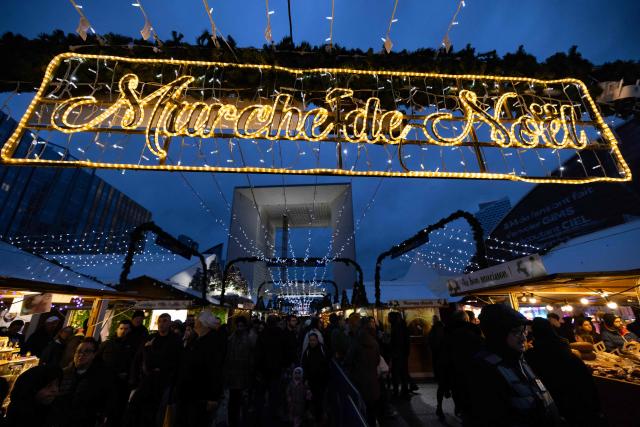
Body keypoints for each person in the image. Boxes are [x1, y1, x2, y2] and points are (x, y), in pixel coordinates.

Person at [470, 304, 560, 427]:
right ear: (498, 335)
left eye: (524, 331)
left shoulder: (519, 359)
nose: (524, 337)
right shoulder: (483, 369)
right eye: (516, 332)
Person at [526, 317, 604, 426]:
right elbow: (587, 382)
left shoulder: (532, 356)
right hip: (579, 403)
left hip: (557, 404)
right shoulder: (566, 351)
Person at [127, 313, 183, 426]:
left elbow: (176, 361)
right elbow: (138, 359)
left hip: (165, 381)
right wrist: (134, 381)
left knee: (157, 411)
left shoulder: (175, 341)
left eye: (165, 321)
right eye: (160, 321)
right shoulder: (150, 338)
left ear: (170, 323)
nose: (162, 324)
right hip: (147, 380)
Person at [174, 310, 225, 427]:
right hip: (188, 393)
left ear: (203, 323)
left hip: (200, 395)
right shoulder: (196, 339)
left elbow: (215, 369)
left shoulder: (212, 342)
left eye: (197, 319)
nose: (194, 321)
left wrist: (213, 397)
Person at [55, 337, 117, 427]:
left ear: (94, 354)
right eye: (79, 351)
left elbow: (107, 405)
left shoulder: (102, 379)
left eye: (87, 351)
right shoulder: (63, 374)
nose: (81, 355)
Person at [440, 310, 483, 422]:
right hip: (475, 372)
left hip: (456, 373)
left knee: (461, 399)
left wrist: (445, 381)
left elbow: (445, 358)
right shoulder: (474, 331)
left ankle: (462, 412)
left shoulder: (448, 333)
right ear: (467, 319)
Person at [344, 317, 380, 427]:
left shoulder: (356, 342)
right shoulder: (374, 342)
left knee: (360, 411)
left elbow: (348, 360)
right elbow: (377, 360)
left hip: (359, 380)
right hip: (373, 380)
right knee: (371, 410)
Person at [98, 319, 135, 426]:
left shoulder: (132, 346)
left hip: (121, 385)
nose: (123, 331)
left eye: (126, 329)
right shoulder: (107, 344)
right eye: (121, 328)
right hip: (105, 382)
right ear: (117, 329)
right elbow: (98, 359)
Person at [255, 315, 288, 425]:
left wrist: (257, 369)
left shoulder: (262, 334)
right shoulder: (281, 334)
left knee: (261, 395)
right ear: (276, 323)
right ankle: (272, 416)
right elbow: (285, 352)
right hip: (276, 370)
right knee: (274, 395)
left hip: (263, 370)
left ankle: (259, 416)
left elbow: (258, 354)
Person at [225, 316, 255, 427]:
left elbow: (251, 358)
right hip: (236, 375)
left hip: (241, 375)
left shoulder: (247, 339)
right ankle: (234, 421)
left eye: (241, 325)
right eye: (238, 325)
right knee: (235, 401)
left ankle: (237, 421)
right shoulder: (233, 339)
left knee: (238, 401)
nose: (239, 327)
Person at [301, 332, 329, 422]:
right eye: (310, 340)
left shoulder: (322, 349)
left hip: (322, 380)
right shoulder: (307, 352)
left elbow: (327, 361)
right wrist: (306, 378)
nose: (312, 342)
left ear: (317, 340)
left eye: (313, 340)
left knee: (320, 399)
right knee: (313, 399)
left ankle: (319, 417)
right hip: (312, 380)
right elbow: (304, 365)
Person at [427, 315, 447, 419]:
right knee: (446, 385)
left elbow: (431, 346)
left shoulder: (432, 333)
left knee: (441, 386)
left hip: (438, 362)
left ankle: (439, 406)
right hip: (445, 362)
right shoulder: (445, 334)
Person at [388, 311, 411, 398]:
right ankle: (404, 391)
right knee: (402, 373)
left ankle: (398, 391)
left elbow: (398, 342)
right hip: (402, 354)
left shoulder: (397, 328)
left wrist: (394, 352)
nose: (388, 319)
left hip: (398, 354)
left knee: (397, 373)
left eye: (389, 317)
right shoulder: (400, 326)